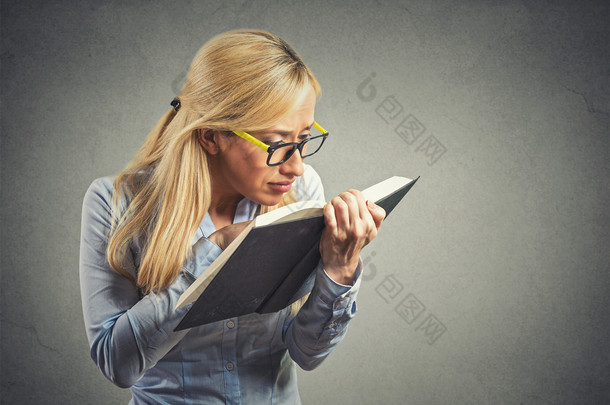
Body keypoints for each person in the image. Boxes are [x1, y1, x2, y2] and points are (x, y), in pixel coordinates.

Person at [79, 29, 385, 404]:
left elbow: (308, 353)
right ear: (211, 136)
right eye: (277, 145)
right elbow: (118, 365)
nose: (298, 167)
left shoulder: (301, 194)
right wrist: (214, 252)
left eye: (304, 138)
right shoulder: (118, 204)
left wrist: (339, 270)